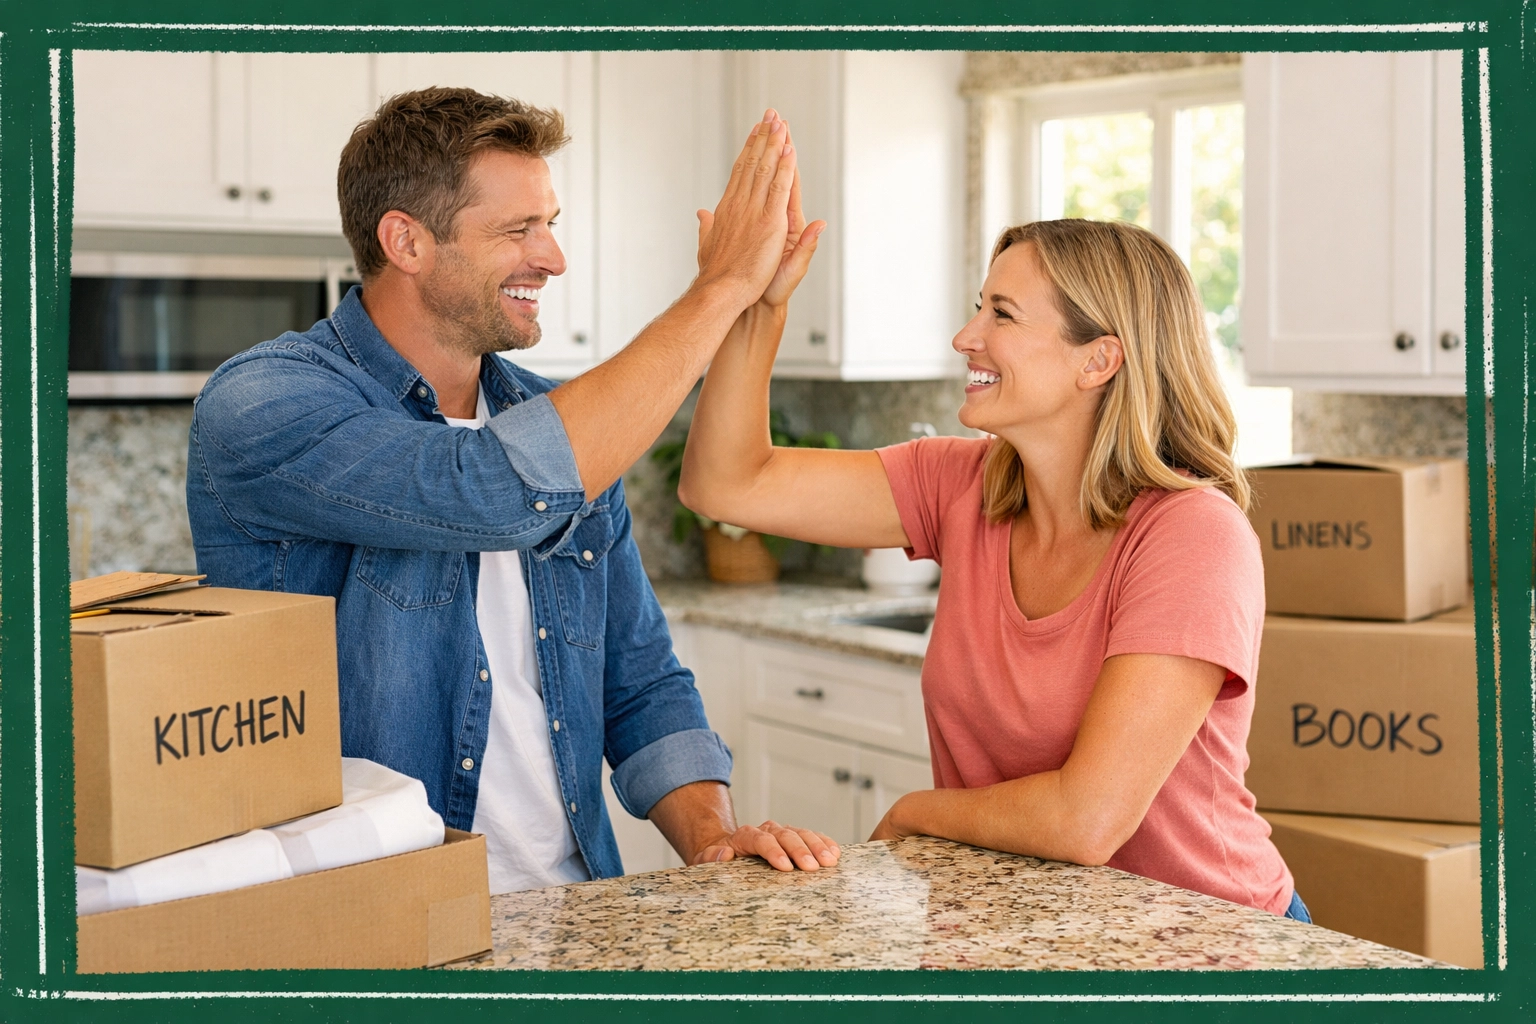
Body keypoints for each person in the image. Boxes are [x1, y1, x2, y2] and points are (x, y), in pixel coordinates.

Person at [187, 87, 839, 894]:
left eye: (550, 225)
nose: (553, 258)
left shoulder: (554, 419)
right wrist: (720, 290)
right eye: (517, 230)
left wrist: (713, 839)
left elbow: (640, 680)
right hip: (375, 920)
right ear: (407, 241)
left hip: (571, 913)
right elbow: (482, 491)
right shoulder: (263, 403)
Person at [678, 216, 1310, 920]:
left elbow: (1086, 819)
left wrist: (920, 812)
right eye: (978, 306)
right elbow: (724, 485)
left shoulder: (1192, 535)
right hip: (1017, 923)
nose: (966, 336)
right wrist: (755, 302)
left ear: (1098, 361)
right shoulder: (961, 484)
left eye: (1001, 314)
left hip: (1203, 938)